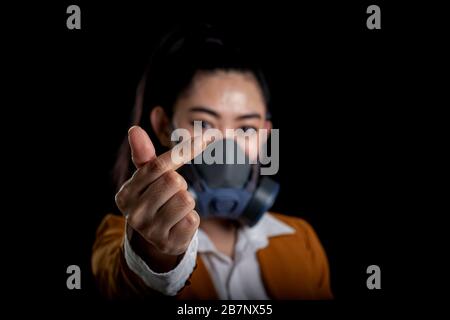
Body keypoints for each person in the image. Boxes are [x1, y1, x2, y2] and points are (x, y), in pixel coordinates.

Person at [91, 24, 333, 300]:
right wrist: (153, 255)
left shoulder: (300, 239)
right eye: (204, 123)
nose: (225, 148)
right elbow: (123, 287)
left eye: (246, 129)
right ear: (163, 126)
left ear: (265, 134)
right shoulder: (122, 237)